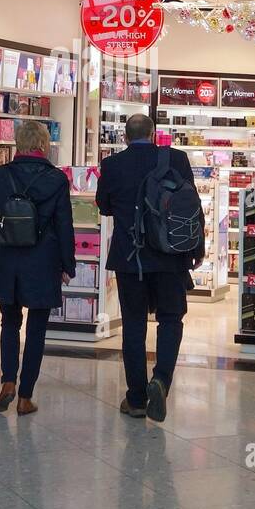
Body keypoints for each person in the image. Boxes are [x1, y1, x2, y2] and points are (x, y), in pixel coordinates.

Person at [96, 113, 201, 423]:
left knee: (134, 325)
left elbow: (104, 206)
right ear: (154, 134)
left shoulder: (113, 165)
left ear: (125, 137)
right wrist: (196, 249)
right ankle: (162, 380)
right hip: (171, 256)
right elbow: (189, 207)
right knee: (171, 319)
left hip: (131, 259)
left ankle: (137, 398)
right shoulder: (177, 159)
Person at [0, 120, 75, 416]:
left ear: (17, 144)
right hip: (42, 261)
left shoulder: (1, 176)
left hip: (6, 261)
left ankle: (8, 381)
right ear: (44, 145)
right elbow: (64, 226)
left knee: (9, 323)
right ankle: (25, 396)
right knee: (36, 330)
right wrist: (67, 265)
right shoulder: (57, 180)